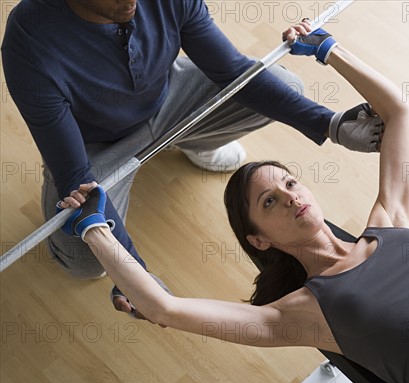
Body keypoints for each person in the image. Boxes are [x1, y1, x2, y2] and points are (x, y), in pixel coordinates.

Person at [57, 22, 409, 383]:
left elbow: (399, 112)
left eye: (290, 182)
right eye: (271, 200)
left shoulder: (391, 224)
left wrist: (329, 50)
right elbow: (168, 309)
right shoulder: (300, 314)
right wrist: (96, 230)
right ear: (259, 238)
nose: (292, 195)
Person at [1, 0, 384, 317]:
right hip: (94, 152)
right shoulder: (28, 44)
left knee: (285, 85)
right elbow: (75, 174)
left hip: (168, 97)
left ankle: (193, 140)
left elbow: (230, 70)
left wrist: (331, 124)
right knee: (88, 262)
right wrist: (138, 276)